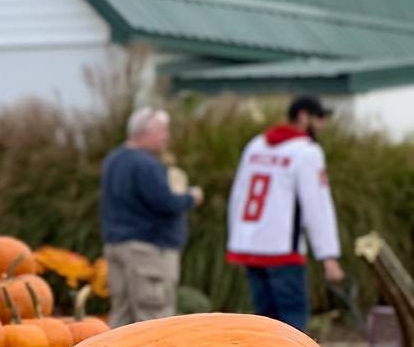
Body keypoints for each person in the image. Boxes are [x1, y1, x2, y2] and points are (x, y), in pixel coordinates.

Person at [227, 95, 342, 332]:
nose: (323, 125)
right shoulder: (306, 151)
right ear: (303, 117)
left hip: (251, 248)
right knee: (293, 324)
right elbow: (317, 206)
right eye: (319, 118)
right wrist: (328, 255)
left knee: (265, 324)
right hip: (282, 250)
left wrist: (236, 244)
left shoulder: (256, 144)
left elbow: (238, 194)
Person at [100, 107, 201, 325]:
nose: (166, 137)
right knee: (154, 318)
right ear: (146, 132)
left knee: (122, 314)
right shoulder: (145, 164)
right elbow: (165, 202)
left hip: (117, 245)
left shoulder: (114, 159)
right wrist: (190, 197)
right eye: (163, 130)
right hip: (148, 251)